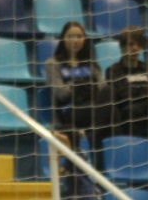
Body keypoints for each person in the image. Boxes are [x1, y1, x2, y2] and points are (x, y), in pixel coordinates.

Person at [44, 21, 112, 150]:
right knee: (112, 115)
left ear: (84, 39)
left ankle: (97, 141)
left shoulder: (90, 63)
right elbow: (61, 94)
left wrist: (81, 86)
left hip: (92, 106)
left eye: (79, 37)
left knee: (112, 106)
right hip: (69, 111)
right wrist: (82, 85)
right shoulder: (53, 63)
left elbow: (103, 87)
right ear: (63, 39)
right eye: (70, 37)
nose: (75, 40)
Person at [104, 26, 148, 138]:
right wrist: (146, 91)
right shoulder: (113, 71)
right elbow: (123, 96)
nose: (135, 48)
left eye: (138, 45)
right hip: (130, 110)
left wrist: (138, 90)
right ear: (122, 47)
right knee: (130, 111)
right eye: (131, 44)